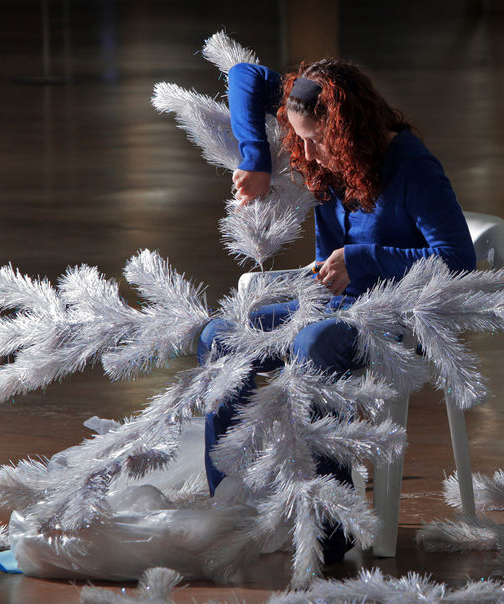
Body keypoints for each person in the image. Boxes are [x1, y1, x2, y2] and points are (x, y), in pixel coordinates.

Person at [198, 58, 476, 562]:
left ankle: (332, 517)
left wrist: (365, 259)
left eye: (316, 140)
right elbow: (245, 76)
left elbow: (458, 260)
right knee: (220, 334)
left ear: (347, 130)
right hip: (328, 298)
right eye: (299, 139)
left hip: (389, 313)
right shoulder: (316, 123)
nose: (306, 155)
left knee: (312, 342)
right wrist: (256, 156)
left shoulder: (414, 168)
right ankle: (232, 501)